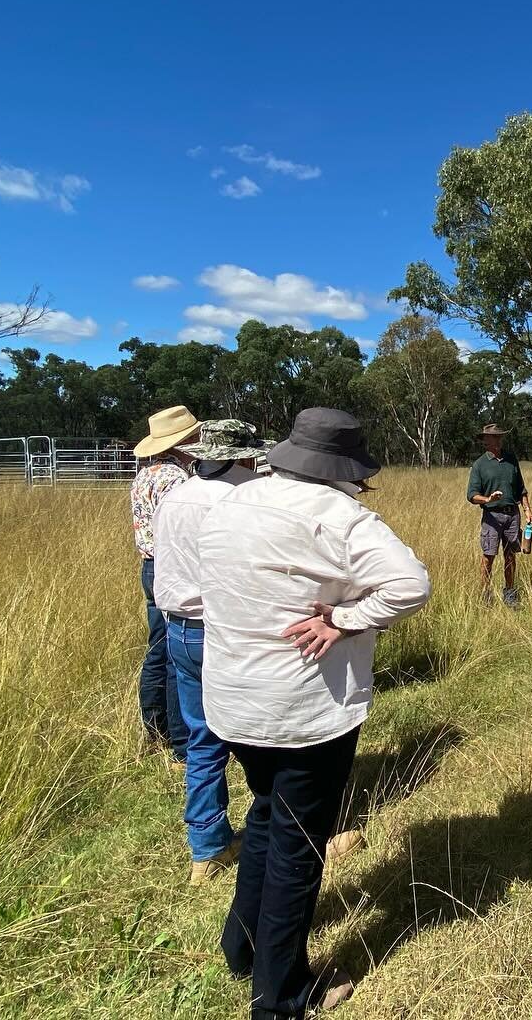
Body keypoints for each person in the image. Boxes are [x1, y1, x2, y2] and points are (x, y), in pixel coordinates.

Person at [199, 408, 431, 1017]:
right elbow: (410, 585)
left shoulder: (230, 503)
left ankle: (243, 946)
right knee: (299, 847)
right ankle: (280, 996)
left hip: (233, 698)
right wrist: (342, 620)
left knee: (268, 815)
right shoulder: (342, 517)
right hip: (306, 708)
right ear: (346, 469)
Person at [152, 420, 265, 885]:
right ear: (241, 456)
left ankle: (207, 847)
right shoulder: (243, 500)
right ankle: (287, 829)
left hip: (179, 630)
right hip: (227, 630)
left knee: (202, 739)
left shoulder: (175, 497)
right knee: (266, 736)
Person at [131, 405, 200, 767]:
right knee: (177, 651)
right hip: (171, 567)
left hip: (149, 566)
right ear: (185, 440)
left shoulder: (145, 474)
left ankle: (154, 727)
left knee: (157, 648)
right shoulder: (177, 478)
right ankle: (181, 740)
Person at [466, 423, 532, 608]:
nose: (497, 440)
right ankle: (486, 595)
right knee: (488, 555)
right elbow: (471, 495)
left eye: (498, 436)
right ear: (485, 441)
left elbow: (521, 489)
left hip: (513, 515)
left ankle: (509, 594)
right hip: (491, 517)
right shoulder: (480, 465)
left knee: (511, 556)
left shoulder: (511, 460)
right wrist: (487, 499)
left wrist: (527, 509)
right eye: (492, 437)